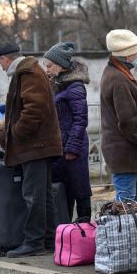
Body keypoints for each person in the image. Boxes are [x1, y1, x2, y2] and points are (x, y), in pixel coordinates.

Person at [0, 41, 63, 258]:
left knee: (33, 195)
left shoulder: (28, 73)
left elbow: (34, 110)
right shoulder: (29, 71)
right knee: (43, 195)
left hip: (35, 145)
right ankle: (50, 240)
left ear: (5, 59)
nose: (2, 68)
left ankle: (34, 242)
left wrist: (14, 134)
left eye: (0, 64)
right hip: (40, 145)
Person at [100, 29, 137, 203]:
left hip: (128, 154)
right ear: (127, 54)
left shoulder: (117, 74)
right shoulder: (118, 79)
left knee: (136, 205)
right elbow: (128, 120)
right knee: (127, 208)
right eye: (135, 52)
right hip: (125, 154)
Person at [43, 41, 93, 222]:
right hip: (60, 148)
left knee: (79, 190)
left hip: (74, 149)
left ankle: (85, 228)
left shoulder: (75, 87)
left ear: (60, 65)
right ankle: (66, 233)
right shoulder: (57, 85)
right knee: (64, 192)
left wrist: (71, 148)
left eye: (49, 66)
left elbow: (81, 120)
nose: (46, 69)